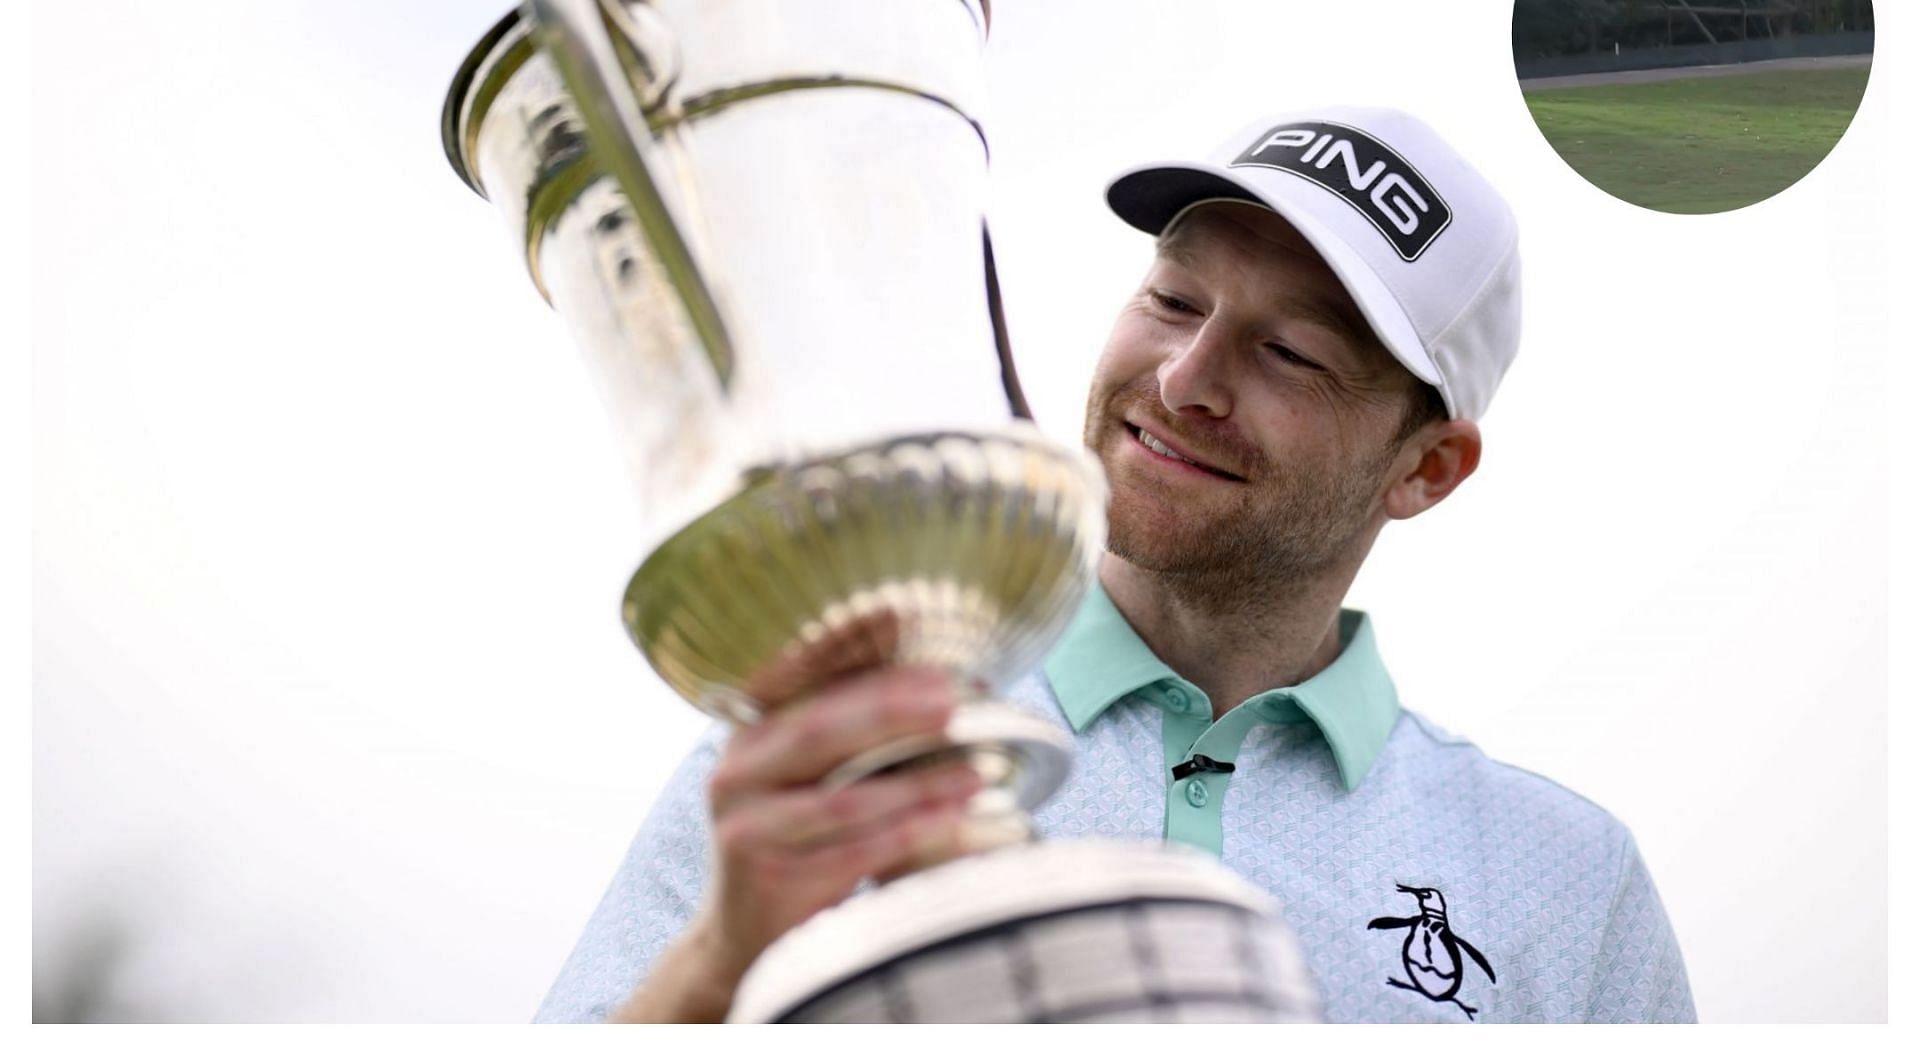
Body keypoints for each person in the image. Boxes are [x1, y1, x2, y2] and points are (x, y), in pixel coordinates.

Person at [533, 106, 1695, 1024]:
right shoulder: (845, 731)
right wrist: (719, 963)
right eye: (1173, 296)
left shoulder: (1569, 882)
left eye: (1290, 352)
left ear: (1429, 467)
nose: (1185, 377)